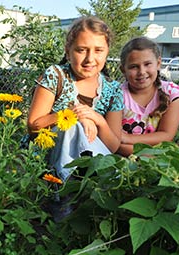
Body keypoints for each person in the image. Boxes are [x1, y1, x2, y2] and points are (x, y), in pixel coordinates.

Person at [27, 16, 124, 182]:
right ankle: (62, 190)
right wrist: (71, 115)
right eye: (81, 50)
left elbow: (113, 146)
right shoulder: (56, 75)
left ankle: (103, 188)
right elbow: (33, 126)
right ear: (68, 51)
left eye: (98, 50)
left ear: (107, 51)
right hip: (46, 157)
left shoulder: (113, 89)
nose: (90, 59)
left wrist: (97, 119)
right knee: (73, 127)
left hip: (91, 161)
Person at [117, 37, 179, 157]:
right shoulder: (117, 95)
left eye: (147, 64)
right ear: (123, 70)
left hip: (158, 161)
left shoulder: (171, 93)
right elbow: (114, 143)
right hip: (122, 163)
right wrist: (149, 156)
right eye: (134, 67)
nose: (142, 71)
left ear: (158, 63)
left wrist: (127, 138)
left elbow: (166, 135)